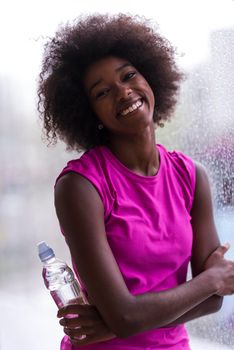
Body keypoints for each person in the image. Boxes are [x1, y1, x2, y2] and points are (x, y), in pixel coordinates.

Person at [37, 14, 234, 350]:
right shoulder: (80, 186)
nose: (124, 92)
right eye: (102, 93)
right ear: (89, 113)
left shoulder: (192, 176)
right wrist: (212, 279)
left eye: (129, 75)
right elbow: (128, 315)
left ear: (150, 77)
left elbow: (214, 301)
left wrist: (116, 324)